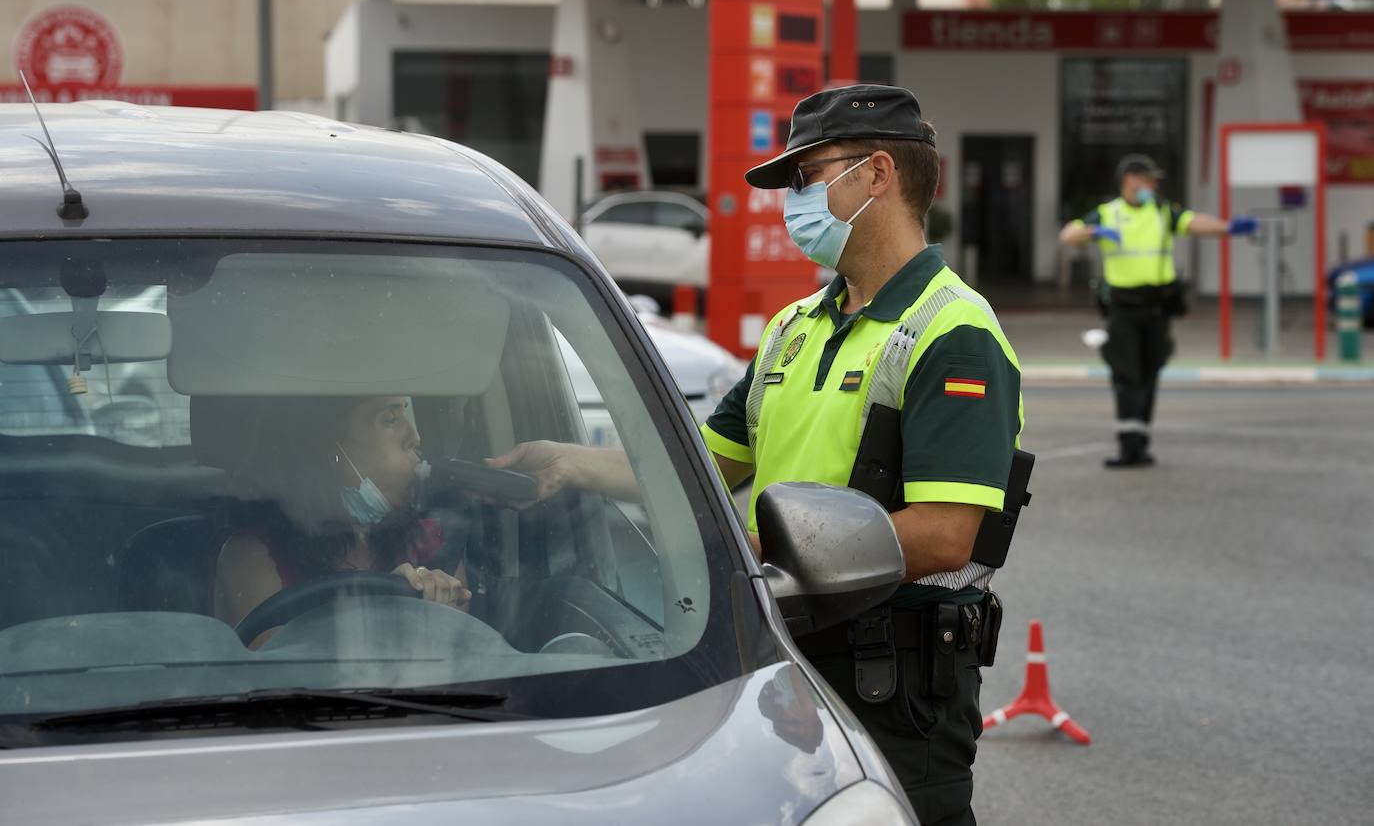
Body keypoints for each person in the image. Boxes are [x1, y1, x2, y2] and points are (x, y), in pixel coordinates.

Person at [494, 85, 1021, 824]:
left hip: (896, 682)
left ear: (876, 175)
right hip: (791, 652)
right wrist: (565, 461)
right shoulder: (794, 327)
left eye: (806, 178)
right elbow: (702, 471)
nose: (791, 203)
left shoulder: (951, 330)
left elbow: (945, 531)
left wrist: (759, 553)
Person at [214, 395, 469, 646]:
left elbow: (468, 672)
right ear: (327, 447)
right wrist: (390, 616)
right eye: (390, 419)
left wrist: (440, 615)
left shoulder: (433, 543)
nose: (415, 437)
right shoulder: (253, 558)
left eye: (406, 413)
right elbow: (275, 682)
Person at [1059, 153, 1258, 467]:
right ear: (1130, 180)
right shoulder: (1107, 213)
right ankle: (1128, 446)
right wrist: (1095, 232)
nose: (1152, 185)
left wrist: (1228, 228)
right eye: (1148, 179)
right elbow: (1069, 234)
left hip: (1157, 308)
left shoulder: (1162, 212)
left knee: (1151, 372)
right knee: (1127, 374)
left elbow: (1194, 223)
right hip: (1123, 307)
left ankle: (1140, 443)